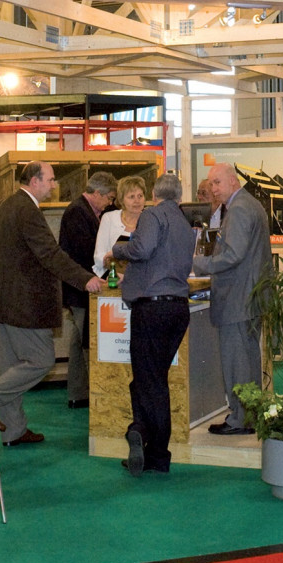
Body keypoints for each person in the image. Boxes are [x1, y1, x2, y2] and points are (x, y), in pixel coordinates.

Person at [0, 161, 104, 446]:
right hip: (24, 304)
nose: (54, 185)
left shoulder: (3, 207)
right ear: (34, 181)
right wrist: (85, 279)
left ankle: (14, 431)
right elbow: (51, 255)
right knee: (41, 361)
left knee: (10, 368)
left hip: (2, 302)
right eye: (51, 180)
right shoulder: (27, 211)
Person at [111, 173, 195, 476]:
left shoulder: (152, 215)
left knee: (150, 382)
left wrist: (118, 250)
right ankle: (146, 443)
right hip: (178, 308)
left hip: (152, 308)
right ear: (180, 195)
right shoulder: (186, 225)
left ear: (154, 194)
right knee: (152, 379)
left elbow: (142, 249)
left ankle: (152, 446)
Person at [192, 163, 272, 435]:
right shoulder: (249, 204)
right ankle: (249, 414)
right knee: (248, 359)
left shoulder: (238, 209)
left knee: (237, 360)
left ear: (233, 183)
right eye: (211, 184)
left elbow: (232, 255)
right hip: (249, 296)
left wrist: (197, 265)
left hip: (238, 298)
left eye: (217, 183)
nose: (213, 189)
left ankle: (240, 419)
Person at [58, 171, 117, 409]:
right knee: (86, 341)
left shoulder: (87, 211)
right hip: (81, 285)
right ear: (96, 193)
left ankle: (78, 392)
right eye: (109, 198)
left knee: (78, 339)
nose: (111, 203)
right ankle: (90, 394)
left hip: (81, 285)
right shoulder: (77, 212)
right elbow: (84, 253)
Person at [93, 175, 148, 277]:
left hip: (145, 281)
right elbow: (99, 257)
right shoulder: (109, 218)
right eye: (131, 197)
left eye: (140, 196)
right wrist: (115, 273)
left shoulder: (151, 220)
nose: (137, 201)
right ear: (122, 200)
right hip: (114, 279)